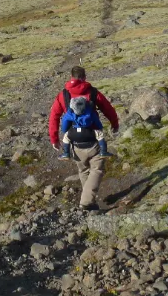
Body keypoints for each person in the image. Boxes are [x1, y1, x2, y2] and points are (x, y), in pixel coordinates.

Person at [49, 66, 119, 210]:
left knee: (83, 171)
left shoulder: (63, 95)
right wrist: (114, 124)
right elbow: (108, 108)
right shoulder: (93, 93)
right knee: (97, 170)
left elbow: (54, 117)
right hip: (93, 141)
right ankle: (86, 203)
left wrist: (54, 138)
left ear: (71, 77)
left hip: (75, 142)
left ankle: (89, 202)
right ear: (84, 77)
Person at [58, 96, 113, 160]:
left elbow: (64, 124)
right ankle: (103, 152)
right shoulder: (90, 112)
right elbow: (97, 122)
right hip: (89, 131)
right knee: (100, 135)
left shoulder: (69, 114)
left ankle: (66, 153)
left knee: (66, 138)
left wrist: (65, 130)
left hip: (74, 133)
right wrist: (100, 127)